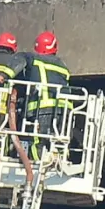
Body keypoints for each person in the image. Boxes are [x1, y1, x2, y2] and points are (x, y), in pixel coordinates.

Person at [23, 31, 71, 159]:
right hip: (63, 110)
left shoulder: (33, 60)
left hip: (41, 108)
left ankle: (36, 165)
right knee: (60, 140)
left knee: (39, 142)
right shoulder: (63, 65)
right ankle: (60, 161)